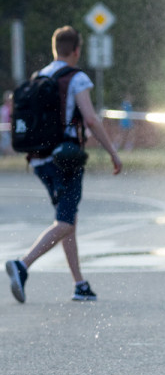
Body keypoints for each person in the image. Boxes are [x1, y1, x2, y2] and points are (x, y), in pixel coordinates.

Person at [5, 25, 122, 303]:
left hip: (39, 160)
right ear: (77, 50)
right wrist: (113, 153)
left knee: (68, 219)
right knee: (66, 221)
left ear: (55, 48)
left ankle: (79, 284)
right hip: (65, 160)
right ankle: (22, 265)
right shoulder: (76, 78)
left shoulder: (40, 76)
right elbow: (91, 119)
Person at [0, 90, 12, 155]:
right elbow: (2, 120)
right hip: (5, 130)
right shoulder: (2, 109)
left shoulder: (14, 108)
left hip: (12, 129)